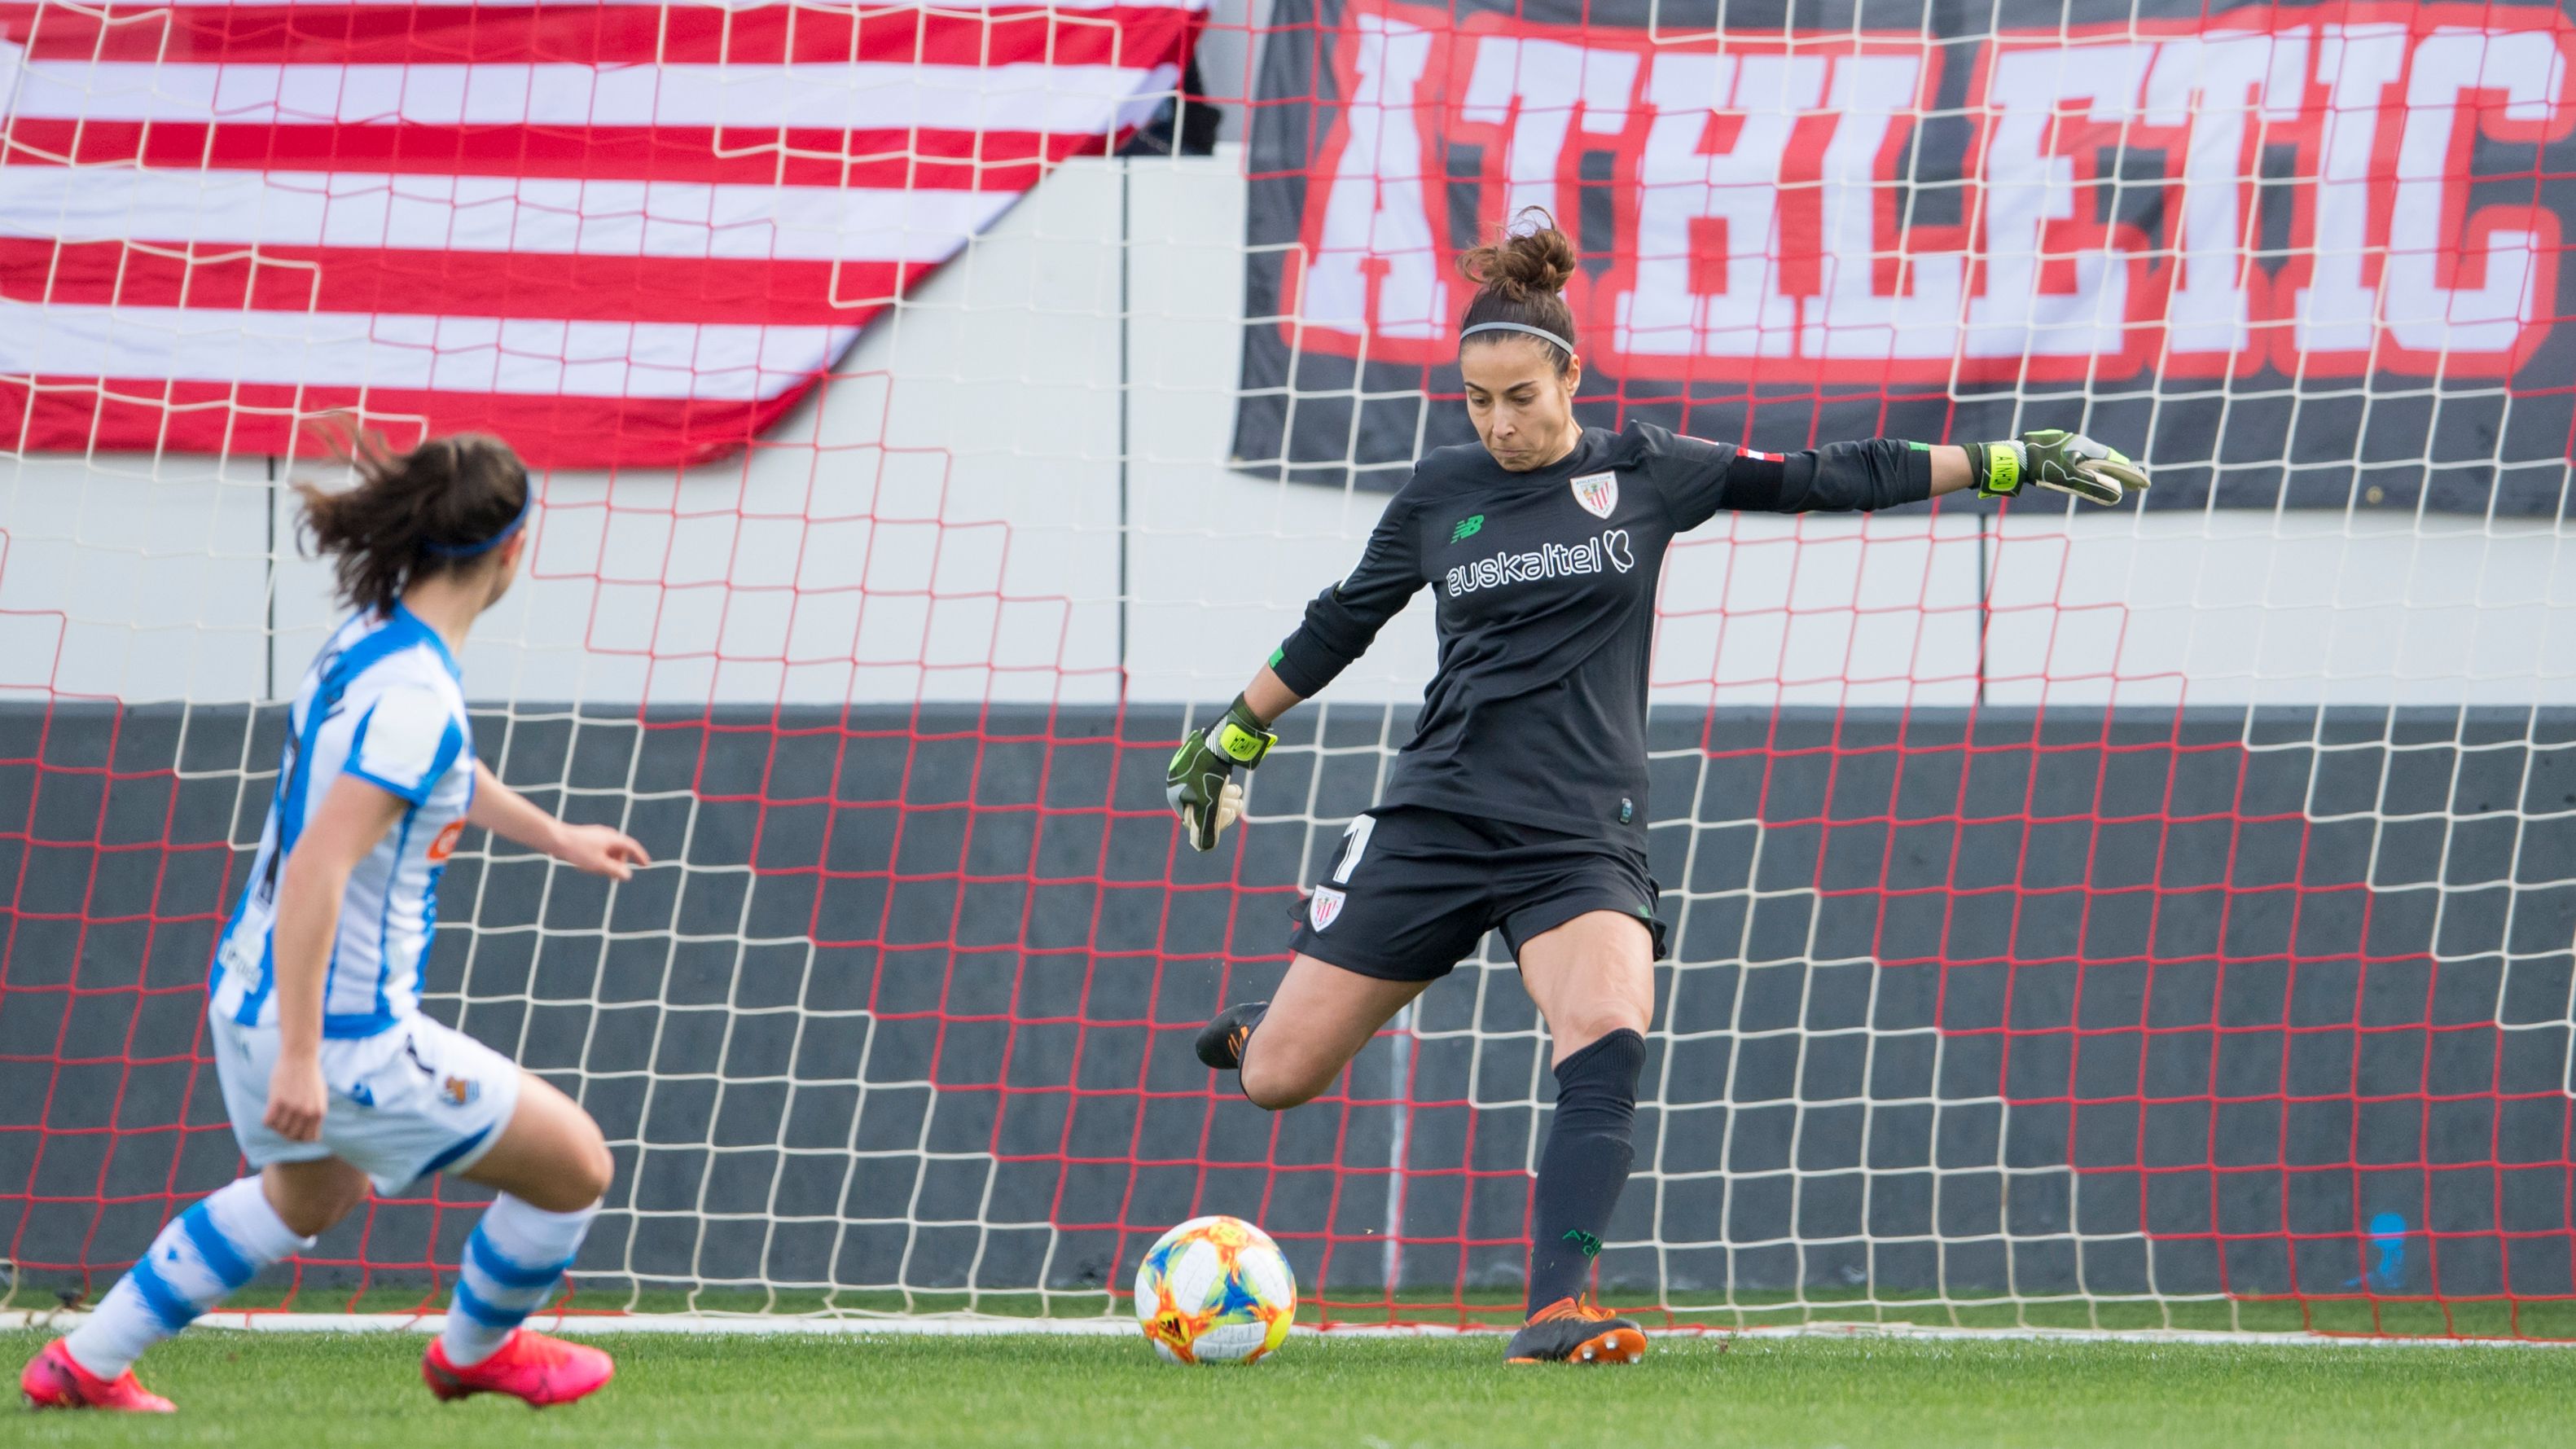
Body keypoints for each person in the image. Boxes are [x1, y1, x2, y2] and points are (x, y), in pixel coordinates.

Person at [1168, 212, 2149, 1365]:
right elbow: (1343, 618)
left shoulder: (1645, 471)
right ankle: (1267, 1024)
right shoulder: (1440, 492)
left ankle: (1551, 1304)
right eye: (1477, 401)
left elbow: (1825, 476)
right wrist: (1235, 731)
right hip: (1437, 814)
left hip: (1578, 830)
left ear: (1567, 375)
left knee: (1603, 1027)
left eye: (1519, 397)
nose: (1499, 423)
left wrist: (2005, 459)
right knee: (1280, 1079)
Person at [21, 426, 651, 1412]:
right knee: (575, 1167)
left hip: (249, 992)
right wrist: (307, 1059)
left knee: (310, 1197)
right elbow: (322, 862)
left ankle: (84, 1364)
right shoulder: (419, 698)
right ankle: (478, 1351)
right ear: (513, 552)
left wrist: (557, 835)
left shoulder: (372, 641)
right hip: (341, 1033)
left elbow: (431, 777)